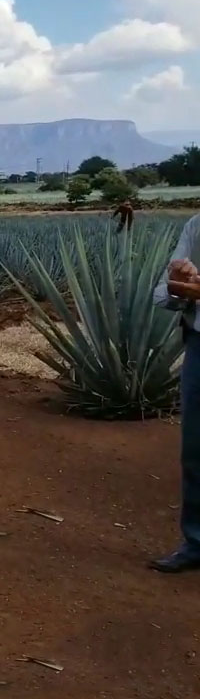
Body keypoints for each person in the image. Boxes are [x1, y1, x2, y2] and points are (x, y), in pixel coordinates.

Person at [152, 212, 200, 572]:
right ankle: (196, 542)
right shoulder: (196, 227)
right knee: (195, 449)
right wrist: (179, 285)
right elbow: (163, 292)